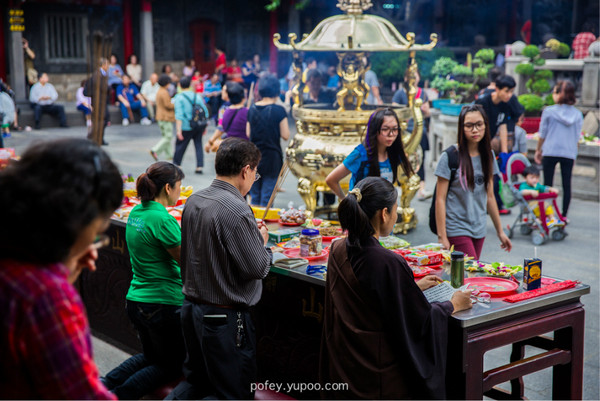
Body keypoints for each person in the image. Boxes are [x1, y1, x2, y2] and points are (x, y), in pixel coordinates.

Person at [320, 176, 473, 399]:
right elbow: (419, 323)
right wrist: (452, 305)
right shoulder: (387, 262)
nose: (395, 216)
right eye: (395, 210)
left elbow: (372, 298)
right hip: (378, 375)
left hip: (344, 366)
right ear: (383, 214)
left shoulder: (338, 248)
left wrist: (410, 287)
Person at [0, 138, 122, 399]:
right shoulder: (46, 298)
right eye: (97, 233)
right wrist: (57, 284)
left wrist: (63, 268)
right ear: (74, 222)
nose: (94, 244)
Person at [166, 137, 272, 400]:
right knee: (233, 392)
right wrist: (263, 243)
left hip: (191, 311)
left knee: (197, 382)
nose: (253, 178)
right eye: (255, 173)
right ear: (246, 170)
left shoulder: (195, 200)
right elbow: (258, 267)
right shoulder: (237, 210)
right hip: (224, 319)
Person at [102, 162, 186, 399]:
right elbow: (187, 262)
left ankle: (103, 385)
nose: (180, 191)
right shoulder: (163, 220)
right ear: (168, 188)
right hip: (163, 303)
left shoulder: (137, 212)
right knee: (170, 364)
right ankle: (118, 395)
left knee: (152, 357)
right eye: (179, 186)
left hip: (137, 300)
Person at [434, 104, 512, 260]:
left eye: (479, 124)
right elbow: (440, 199)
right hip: (456, 228)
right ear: (462, 128)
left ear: (485, 125)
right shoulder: (450, 156)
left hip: (479, 228)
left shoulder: (488, 156)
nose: (475, 130)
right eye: (469, 125)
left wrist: (500, 231)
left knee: (466, 277)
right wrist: (442, 236)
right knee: (470, 275)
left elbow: (490, 197)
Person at [326, 107, 413, 200]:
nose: (391, 134)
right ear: (374, 130)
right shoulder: (360, 154)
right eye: (385, 129)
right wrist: (346, 202)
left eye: (395, 129)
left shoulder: (395, 152)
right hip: (361, 212)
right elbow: (331, 179)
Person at [534, 80, 583, 220]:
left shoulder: (549, 111)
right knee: (567, 185)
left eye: (555, 91)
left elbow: (542, 134)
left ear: (560, 93)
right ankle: (564, 215)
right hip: (569, 152)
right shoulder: (577, 114)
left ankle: (547, 214)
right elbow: (577, 137)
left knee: (547, 184)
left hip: (550, 150)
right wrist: (575, 153)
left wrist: (538, 150)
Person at [475, 74, 518, 215]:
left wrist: (504, 152)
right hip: (477, 145)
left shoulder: (505, 105)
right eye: (506, 91)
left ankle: (495, 206)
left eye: (511, 92)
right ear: (497, 89)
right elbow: (475, 127)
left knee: (495, 176)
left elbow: (503, 128)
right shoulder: (483, 102)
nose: (509, 95)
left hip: (488, 147)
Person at [247, 74, 290, 205]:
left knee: (254, 197)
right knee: (267, 199)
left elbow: (248, 133)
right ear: (276, 90)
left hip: (253, 158)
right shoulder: (279, 110)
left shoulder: (252, 109)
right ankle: (263, 224)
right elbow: (286, 135)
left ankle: (252, 224)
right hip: (272, 159)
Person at [392, 67, 432, 200]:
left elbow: (428, 113)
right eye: (411, 76)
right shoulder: (399, 93)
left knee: (420, 158)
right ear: (405, 78)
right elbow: (393, 112)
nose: (414, 79)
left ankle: (422, 188)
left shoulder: (423, 93)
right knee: (401, 159)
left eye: (416, 76)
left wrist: (425, 110)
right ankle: (398, 185)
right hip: (405, 131)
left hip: (420, 131)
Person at [173, 75, 209, 174]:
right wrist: (204, 125)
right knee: (198, 144)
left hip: (186, 126)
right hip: (198, 125)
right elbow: (205, 111)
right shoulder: (196, 95)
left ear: (179, 85)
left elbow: (179, 115)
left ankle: (177, 164)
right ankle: (199, 166)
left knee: (181, 145)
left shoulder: (179, 98)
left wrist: (178, 130)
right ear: (189, 85)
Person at [205, 81, 248, 153]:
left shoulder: (225, 109)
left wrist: (210, 141)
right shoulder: (246, 110)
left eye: (224, 90)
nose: (222, 92)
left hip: (229, 144)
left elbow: (220, 128)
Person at [84, 57, 110, 145]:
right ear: (103, 65)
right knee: (101, 120)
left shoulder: (103, 74)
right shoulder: (97, 75)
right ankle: (92, 137)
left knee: (104, 120)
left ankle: (99, 138)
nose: (108, 66)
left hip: (102, 101)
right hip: (98, 102)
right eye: (107, 64)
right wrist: (109, 88)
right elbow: (102, 88)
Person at [150, 74, 176, 161]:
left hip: (160, 116)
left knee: (166, 136)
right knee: (168, 137)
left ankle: (169, 155)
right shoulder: (164, 92)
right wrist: (175, 104)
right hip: (166, 117)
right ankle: (155, 150)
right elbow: (168, 105)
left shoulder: (159, 91)